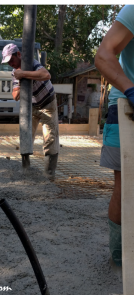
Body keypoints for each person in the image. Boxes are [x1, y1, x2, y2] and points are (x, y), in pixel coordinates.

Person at [95, 5, 134, 266]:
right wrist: (130, 90)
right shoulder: (133, 11)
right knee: (127, 186)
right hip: (126, 107)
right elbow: (103, 55)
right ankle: (120, 256)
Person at [1, 43, 60, 178]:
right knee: (26, 135)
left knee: (50, 138)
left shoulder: (32, 64)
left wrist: (24, 74)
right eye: (8, 62)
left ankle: (49, 174)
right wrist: (21, 79)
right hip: (31, 107)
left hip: (47, 104)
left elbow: (46, 74)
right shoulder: (14, 73)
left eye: (12, 60)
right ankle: (25, 169)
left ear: (19, 54)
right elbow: (15, 96)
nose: (10, 63)